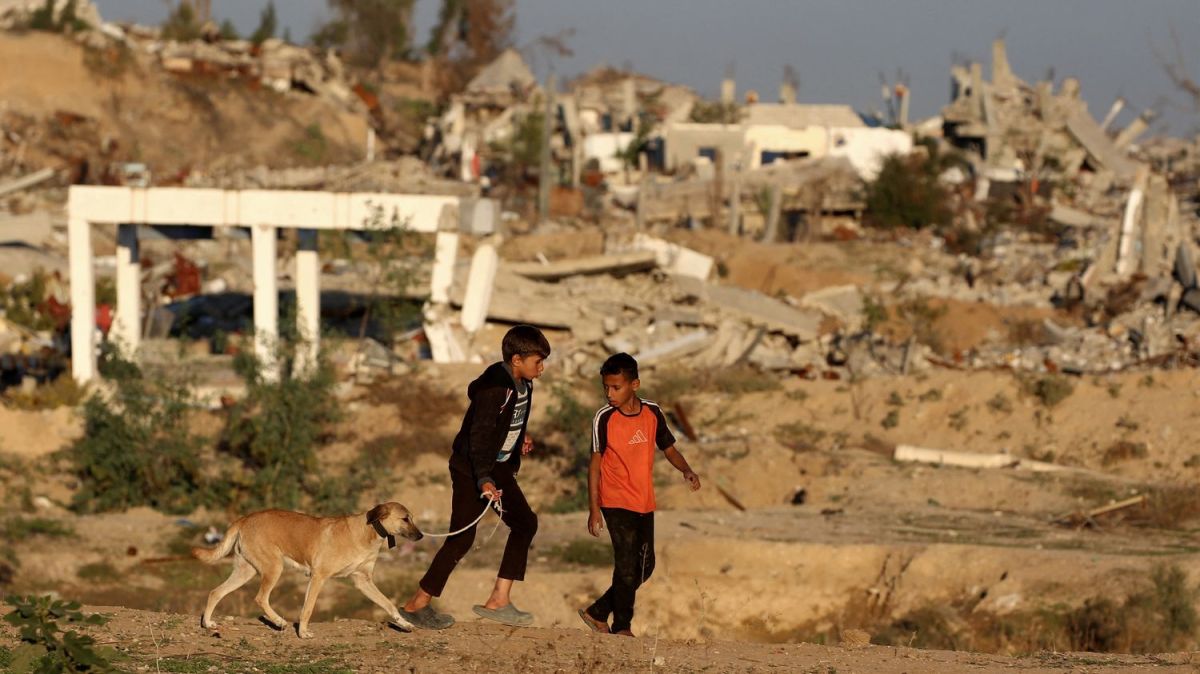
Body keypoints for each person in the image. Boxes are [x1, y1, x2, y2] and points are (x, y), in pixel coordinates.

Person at [398, 325, 549, 629]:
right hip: (472, 470)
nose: (542, 367)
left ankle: (498, 599)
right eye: (537, 361)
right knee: (462, 538)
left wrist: (519, 436)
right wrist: (483, 479)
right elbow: (479, 436)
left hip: (498, 468)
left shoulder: (523, 383)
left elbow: (506, 421)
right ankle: (417, 604)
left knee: (524, 524)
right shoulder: (495, 389)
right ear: (517, 359)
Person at [578, 352, 701, 636]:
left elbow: (668, 448)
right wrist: (594, 509)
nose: (609, 393)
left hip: (643, 500)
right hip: (614, 500)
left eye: (616, 387)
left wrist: (687, 470)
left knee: (645, 567)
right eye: (606, 387)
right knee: (626, 565)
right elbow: (594, 465)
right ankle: (622, 627)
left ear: (635, 385)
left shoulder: (653, 413)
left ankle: (597, 611)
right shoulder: (604, 418)